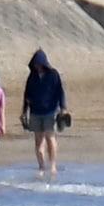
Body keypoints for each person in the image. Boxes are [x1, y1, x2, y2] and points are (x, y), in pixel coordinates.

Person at [22, 49, 69, 179]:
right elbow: (26, 95)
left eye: (39, 64)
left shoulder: (53, 75)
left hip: (50, 111)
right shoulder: (32, 76)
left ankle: (53, 165)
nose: (37, 66)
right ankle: (42, 166)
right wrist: (24, 111)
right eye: (35, 64)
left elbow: (60, 92)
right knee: (38, 141)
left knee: (50, 138)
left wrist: (63, 108)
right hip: (35, 112)